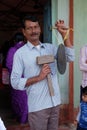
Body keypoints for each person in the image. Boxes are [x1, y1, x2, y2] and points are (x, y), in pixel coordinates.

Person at [11, 15, 74, 130]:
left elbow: (70, 57)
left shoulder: (50, 48)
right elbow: (14, 82)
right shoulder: (20, 54)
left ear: (40, 29)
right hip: (38, 106)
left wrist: (65, 35)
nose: (34, 31)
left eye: (36, 27)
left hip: (55, 103)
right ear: (24, 32)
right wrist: (39, 77)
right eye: (29, 28)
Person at [6, 32, 28, 124]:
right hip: (27, 79)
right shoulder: (27, 49)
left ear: (15, 40)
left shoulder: (12, 50)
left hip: (16, 79)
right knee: (25, 99)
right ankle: (24, 119)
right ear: (23, 40)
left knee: (16, 99)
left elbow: (8, 64)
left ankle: (19, 118)